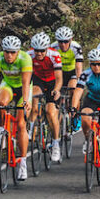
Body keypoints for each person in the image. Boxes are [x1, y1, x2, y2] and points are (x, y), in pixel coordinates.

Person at [0, 36, 32, 181]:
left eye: (12, 52)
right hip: (8, 86)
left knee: (21, 124)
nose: (9, 55)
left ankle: (22, 163)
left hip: (24, 89)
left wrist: (26, 101)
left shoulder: (25, 59)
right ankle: (2, 130)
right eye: (6, 52)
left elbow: (26, 82)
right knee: (1, 103)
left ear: (18, 52)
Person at [72, 48, 100, 177]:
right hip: (91, 99)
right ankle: (88, 139)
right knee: (85, 117)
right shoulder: (85, 74)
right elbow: (78, 91)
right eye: (93, 64)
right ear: (90, 64)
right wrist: (73, 107)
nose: (96, 67)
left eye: (99, 64)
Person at [29, 32, 63, 163]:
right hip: (38, 80)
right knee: (34, 99)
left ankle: (55, 144)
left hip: (52, 82)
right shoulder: (29, 55)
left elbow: (59, 78)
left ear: (47, 49)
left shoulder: (54, 55)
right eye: (36, 50)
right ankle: (31, 129)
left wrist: (57, 89)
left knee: (50, 112)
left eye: (42, 51)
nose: (39, 54)